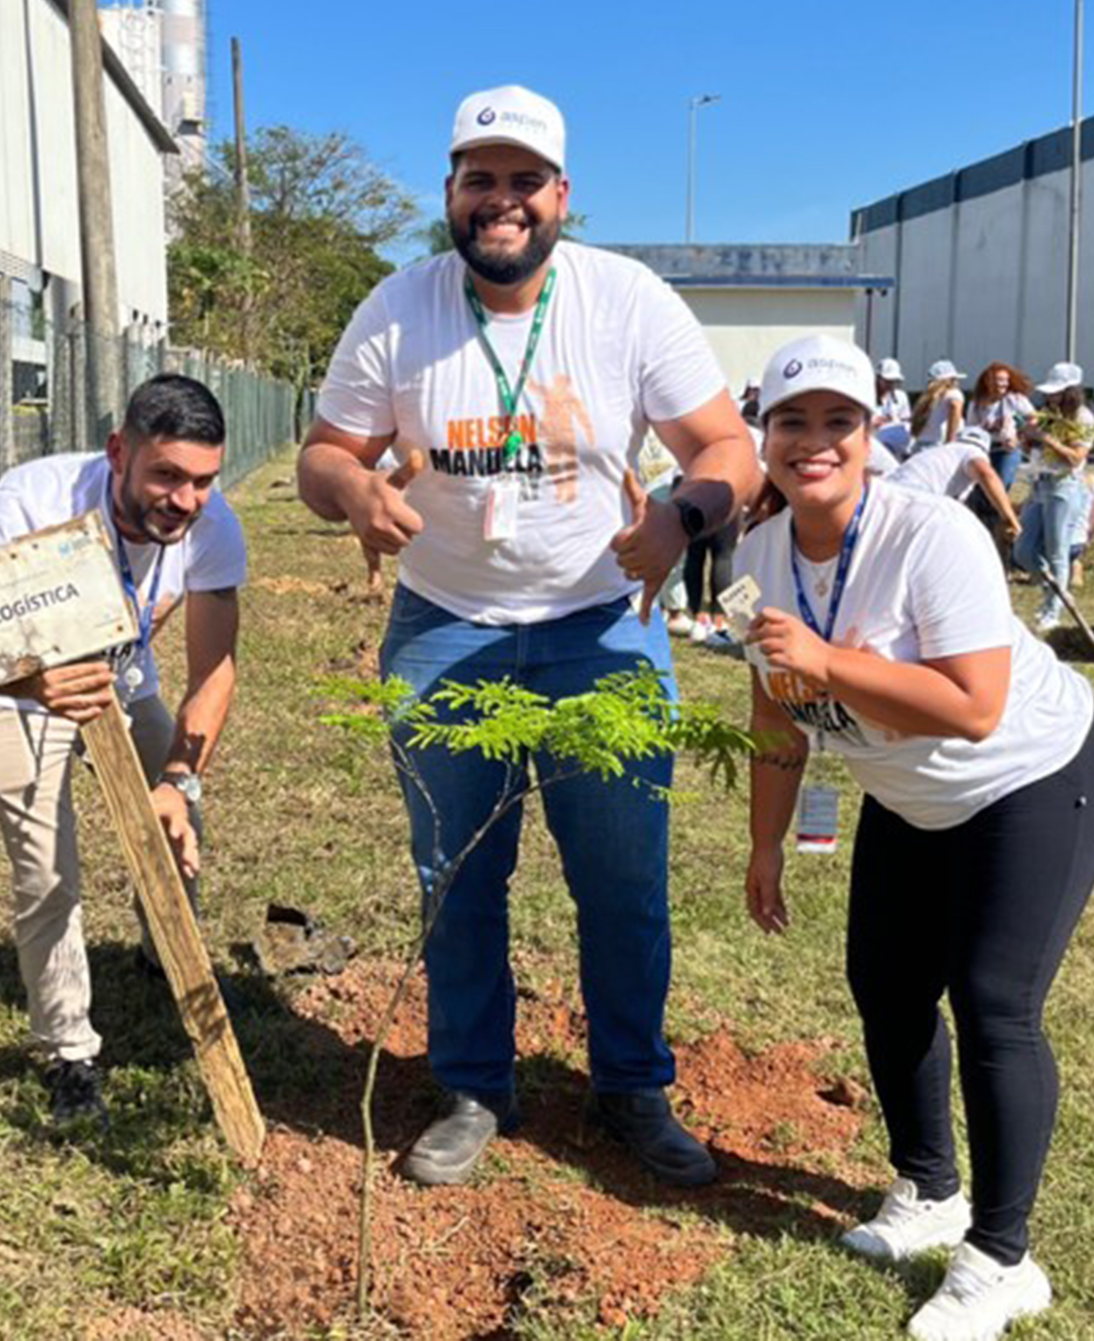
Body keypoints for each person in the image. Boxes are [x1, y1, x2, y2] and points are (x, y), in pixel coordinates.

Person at [298, 84, 759, 1188]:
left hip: (600, 629)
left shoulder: (627, 300)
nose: (500, 201)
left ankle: (633, 1087)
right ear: (450, 193)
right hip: (445, 629)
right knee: (457, 875)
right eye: (479, 178)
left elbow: (729, 449)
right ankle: (470, 1085)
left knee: (623, 880)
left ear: (562, 196)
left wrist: (679, 515)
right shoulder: (399, 307)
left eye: (523, 181)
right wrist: (355, 492)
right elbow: (324, 452)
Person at [736, 335, 1094, 1341]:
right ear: (763, 435)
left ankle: (1002, 1254)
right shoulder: (754, 559)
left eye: (838, 422)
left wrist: (826, 659)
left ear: (872, 433)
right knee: (889, 985)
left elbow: (977, 705)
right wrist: (767, 846)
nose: (814, 441)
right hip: (909, 799)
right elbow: (775, 715)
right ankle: (931, 1188)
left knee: (995, 1003)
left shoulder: (932, 535)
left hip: (1029, 774)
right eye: (792, 421)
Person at [0, 375, 247, 1127]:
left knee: (176, 821)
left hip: (124, 679)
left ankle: (167, 950)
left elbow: (215, 670)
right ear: (118, 453)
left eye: (203, 480)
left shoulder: (212, 525)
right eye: (166, 476)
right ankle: (68, 1052)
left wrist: (179, 781)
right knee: (47, 872)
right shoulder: (29, 501)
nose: (185, 500)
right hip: (19, 688)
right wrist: (45, 691)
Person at [1012, 362, 1094, 633]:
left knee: (1057, 551)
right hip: (1040, 483)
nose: (1050, 397)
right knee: (1023, 550)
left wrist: (1046, 439)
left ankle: (1052, 610)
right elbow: (1036, 450)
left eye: (1057, 392)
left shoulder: (1083, 418)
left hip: (1065, 486)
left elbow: (1076, 459)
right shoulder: (1048, 413)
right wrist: (1027, 440)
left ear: (1071, 391)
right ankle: (1056, 589)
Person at [887, 426, 1021, 540]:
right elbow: (986, 474)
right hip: (914, 498)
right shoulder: (973, 452)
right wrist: (1010, 519)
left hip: (890, 492)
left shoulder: (942, 451)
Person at [965, 362, 1035, 491]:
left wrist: (1019, 438)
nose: (1004, 384)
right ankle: (984, 511)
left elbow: (1033, 420)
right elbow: (970, 429)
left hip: (1007, 450)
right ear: (989, 381)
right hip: (984, 449)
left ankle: (997, 510)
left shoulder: (1015, 399)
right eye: (1000, 380)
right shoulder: (976, 404)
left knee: (1001, 484)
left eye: (1007, 380)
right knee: (981, 486)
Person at [909, 360, 966, 451]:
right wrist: (949, 443)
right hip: (938, 446)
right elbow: (955, 407)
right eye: (955, 379)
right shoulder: (954, 394)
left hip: (919, 446)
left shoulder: (926, 398)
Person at [872, 358, 911, 461]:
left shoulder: (901, 396)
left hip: (896, 448)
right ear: (878, 378)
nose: (891, 385)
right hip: (875, 445)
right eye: (887, 381)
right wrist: (874, 422)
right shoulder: (867, 396)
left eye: (894, 381)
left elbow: (905, 420)